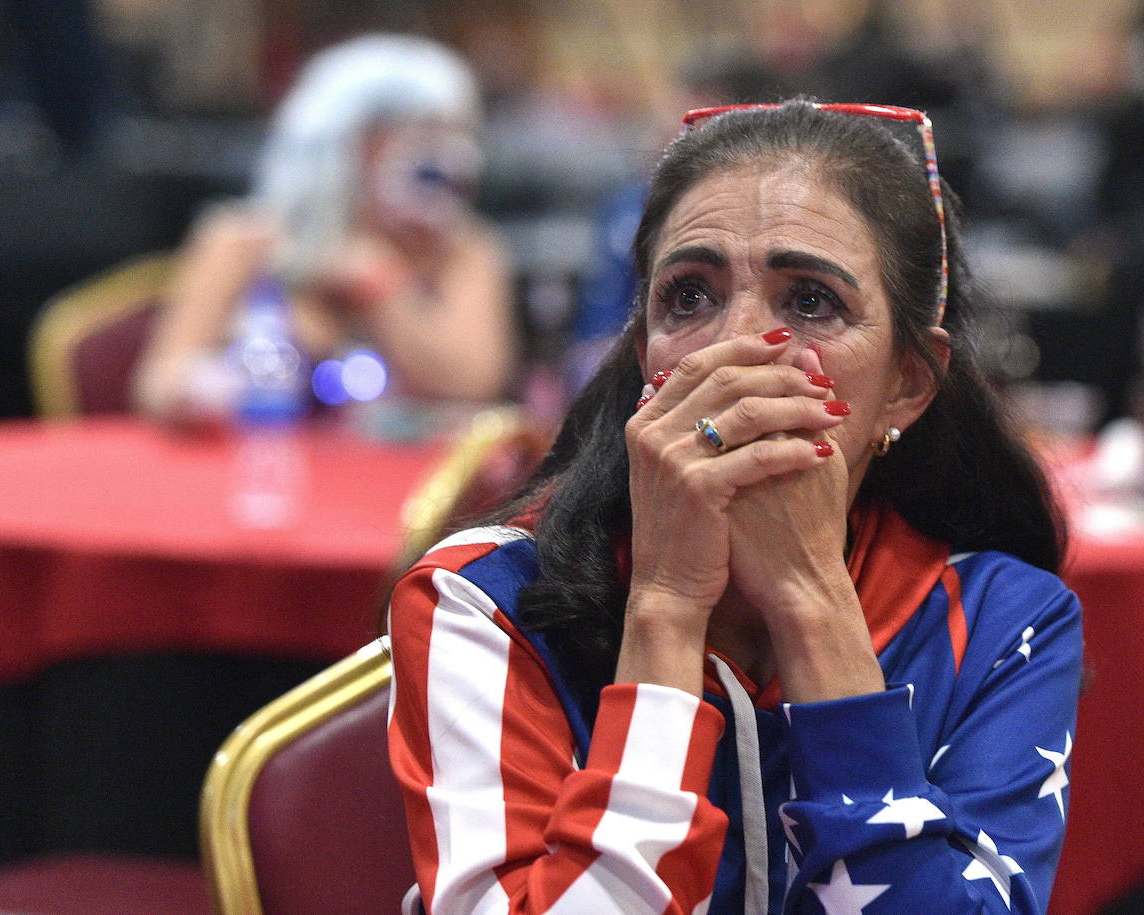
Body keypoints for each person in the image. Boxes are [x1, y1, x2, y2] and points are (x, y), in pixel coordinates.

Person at [388, 100, 1081, 913]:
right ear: (645, 352)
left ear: (907, 383)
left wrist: (813, 600)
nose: (731, 346)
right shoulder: (484, 602)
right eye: (688, 297)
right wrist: (668, 608)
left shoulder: (1003, 621)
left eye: (811, 302)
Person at [132, 33, 515, 423]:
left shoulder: (464, 250)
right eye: (411, 133)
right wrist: (206, 387)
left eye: (452, 133)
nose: (441, 155)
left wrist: (380, 286)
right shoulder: (242, 242)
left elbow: (474, 385)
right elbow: (158, 386)